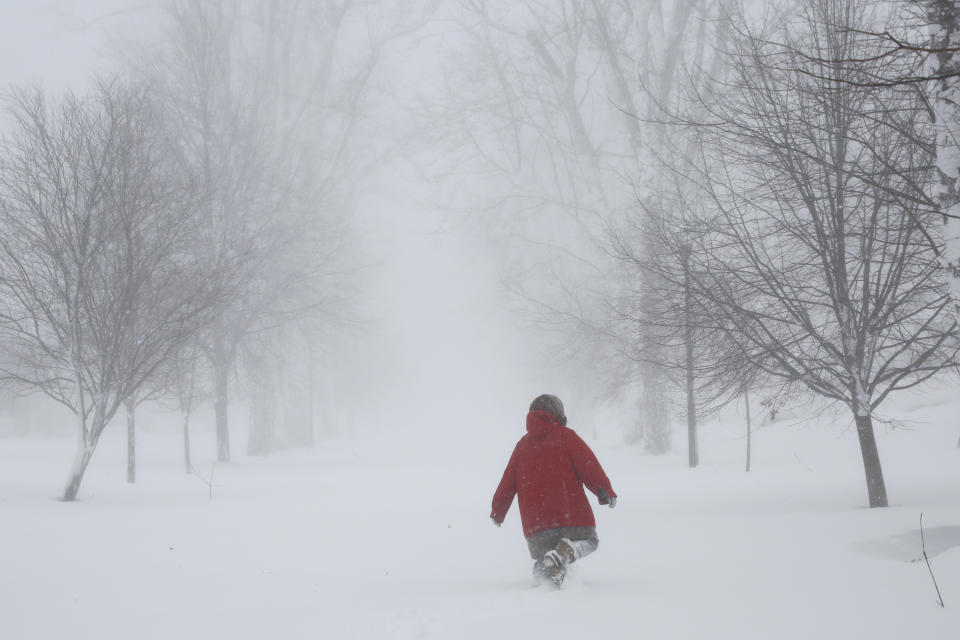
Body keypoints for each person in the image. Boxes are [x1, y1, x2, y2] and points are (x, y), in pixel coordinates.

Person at [490, 394, 617, 587]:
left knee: (545, 557)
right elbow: (588, 465)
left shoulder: (522, 446)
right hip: (571, 516)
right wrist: (604, 490)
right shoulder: (566, 437)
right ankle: (569, 551)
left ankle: (545, 579)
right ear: (558, 414)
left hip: (537, 526)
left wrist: (498, 512)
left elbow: (507, 483)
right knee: (589, 542)